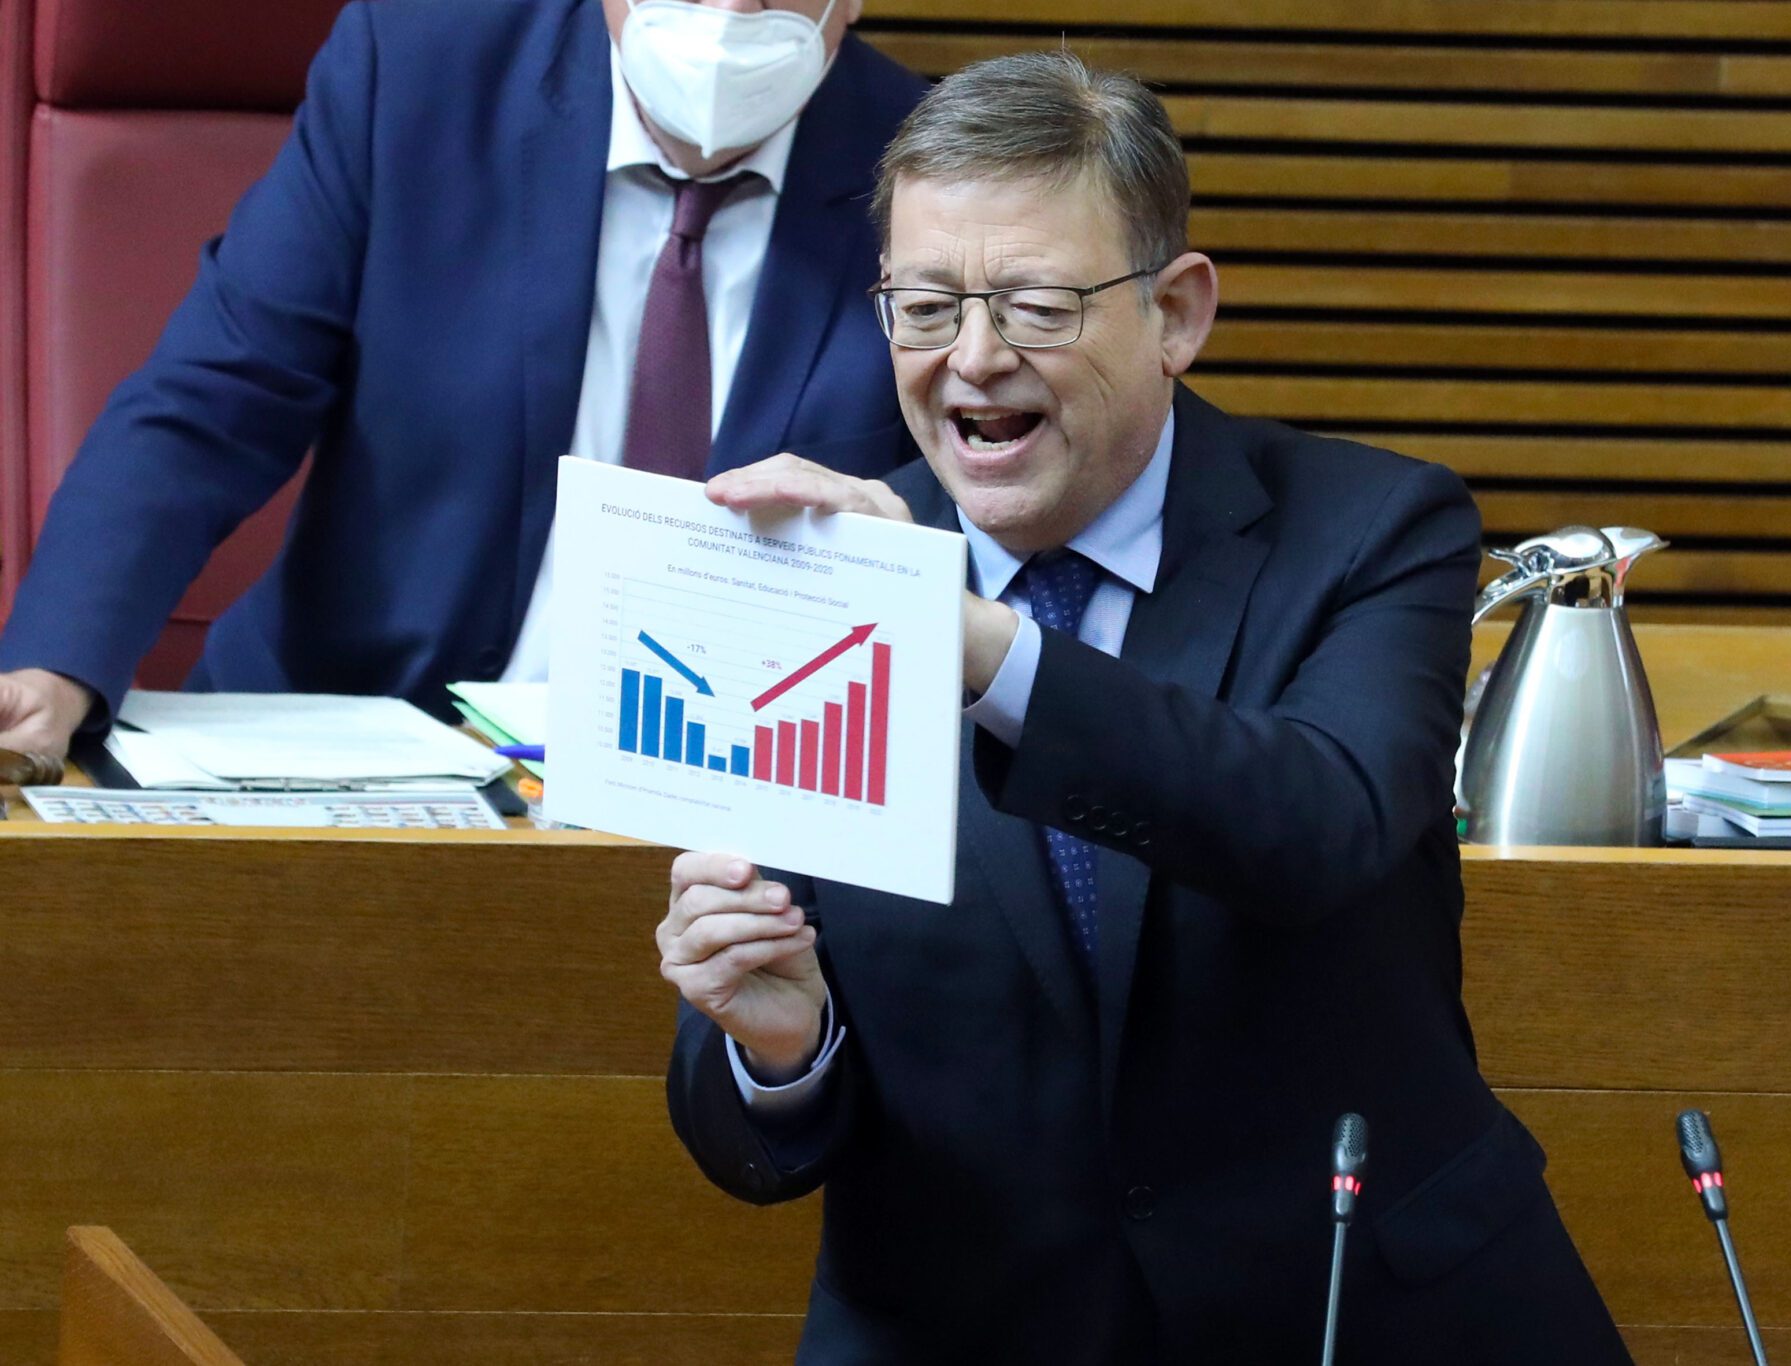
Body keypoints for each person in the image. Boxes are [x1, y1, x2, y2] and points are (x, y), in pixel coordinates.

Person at [657, 52, 1633, 1365]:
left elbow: (1315, 823)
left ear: (1175, 312)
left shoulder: (1373, 529)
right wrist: (785, 1049)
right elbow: (752, 1130)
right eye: (925, 307)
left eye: (1036, 306)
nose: (974, 360)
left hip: (1359, 1310)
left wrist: (975, 643)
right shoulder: (812, 569)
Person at [0, 0, 924, 754]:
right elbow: (216, 401)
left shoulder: (926, 175)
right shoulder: (415, 75)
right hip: (361, 742)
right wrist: (57, 663)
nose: (727, 17)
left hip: (728, 793)